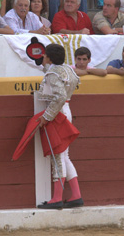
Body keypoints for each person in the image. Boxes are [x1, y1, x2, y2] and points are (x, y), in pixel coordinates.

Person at [35, 43, 83, 210]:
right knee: (64, 156)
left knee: (58, 155)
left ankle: (56, 198)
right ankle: (76, 195)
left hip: (57, 113)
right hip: (66, 110)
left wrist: (47, 116)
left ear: (48, 56)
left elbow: (59, 96)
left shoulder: (54, 73)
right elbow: (65, 85)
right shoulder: (69, 70)